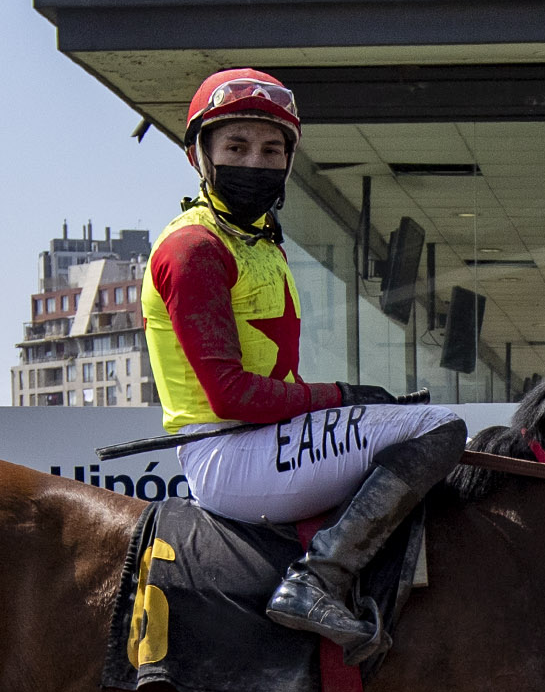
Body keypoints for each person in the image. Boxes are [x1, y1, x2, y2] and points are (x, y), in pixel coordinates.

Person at [140, 67, 466, 659]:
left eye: (272, 150)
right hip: (229, 454)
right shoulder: (194, 248)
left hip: (265, 442)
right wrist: (342, 395)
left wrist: (348, 400)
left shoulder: (260, 239)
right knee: (437, 428)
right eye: (236, 147)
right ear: (198, 157)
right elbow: (233, 396)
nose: (255, 162)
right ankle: (318, 579)